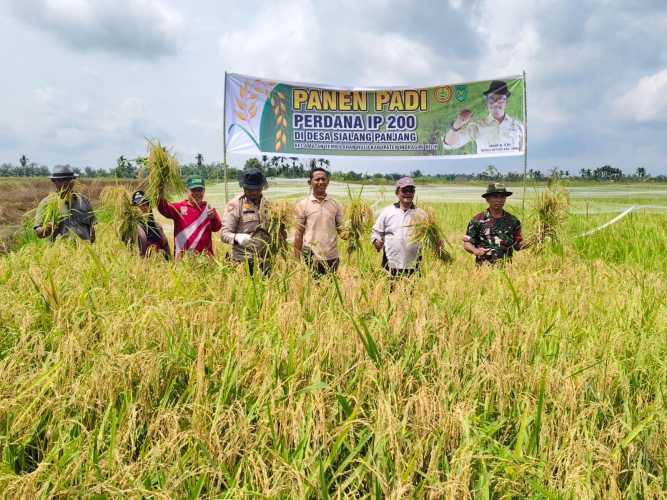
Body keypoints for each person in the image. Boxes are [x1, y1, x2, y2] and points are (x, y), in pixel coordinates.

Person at [371, 177, 439, 278]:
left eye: (411, 190)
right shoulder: (388, 212)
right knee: (389, 291)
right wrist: (376, 241)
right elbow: (376, 232)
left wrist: (437, 244)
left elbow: (431, 238)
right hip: (390, 264)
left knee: (412, 292)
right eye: (404, 190)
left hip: (413, 265)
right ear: (397, 192)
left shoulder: (421, 214)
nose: (408, 193)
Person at [443, 80, 524, 155]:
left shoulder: (518, 126)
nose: (495, 103)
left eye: (500, 99)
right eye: (492, 99)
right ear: (487, 102)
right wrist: (458, 123)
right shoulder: (477, 126)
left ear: (506, 102)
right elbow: (450, 144)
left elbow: (523, 154)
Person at [221, 169, 276, 274]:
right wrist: (237, 238)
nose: (254, 192)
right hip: (243, 261)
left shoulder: (268, 205)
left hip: (265, 261)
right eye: (250, 189)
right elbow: (224, 234)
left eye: (257, 189)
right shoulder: (235, 205)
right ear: (244, 187)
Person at [293, 167, 344, 276]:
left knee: (331, 289)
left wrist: (355, 225)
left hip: (332, 257)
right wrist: (296, 259)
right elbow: (298, 234)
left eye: (323, 179)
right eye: (317, 179)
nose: (321, 182)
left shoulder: (335, 204)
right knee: (312, 290)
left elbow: (343, 232)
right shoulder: (303, 205)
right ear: (310, 182)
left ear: (328, 182)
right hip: (311, 257)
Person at [157, 175, 221, 258]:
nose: (197, 193)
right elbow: (162, 208)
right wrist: (160, 190)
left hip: (206, 260)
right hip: (183, 260)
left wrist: (213, 218)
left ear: (204, 191)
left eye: (200, 190)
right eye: (193, 190)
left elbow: (217, 228)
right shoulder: (179, 208)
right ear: (187, 191)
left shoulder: (208, 209)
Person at [463, 182, 526, 264]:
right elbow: (467, 243)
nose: (499, 200)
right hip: (483, 270)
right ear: (487, 199)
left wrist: (534, 240)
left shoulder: (513, 221)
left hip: (507, 270)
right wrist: (476, 251)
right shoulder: (477, 220)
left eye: (502, 197)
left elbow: (518, 246)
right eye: (495, 197)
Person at [34, 165, 96, 242]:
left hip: (84, 250)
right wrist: (46, 229)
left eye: (68, 179)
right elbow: (38, 232)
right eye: (61, 180)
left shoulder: (84, 201)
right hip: (59, 251)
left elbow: (92, 229)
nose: (66, 183)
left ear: (73, 181)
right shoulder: (46, 203)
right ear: (54, 181)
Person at [130, 190, 170, 259]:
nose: (143, 208)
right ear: (134, 210)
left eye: (145, 204)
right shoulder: (131, 229)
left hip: (160, 265)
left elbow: (166, 248)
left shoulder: (157, 227)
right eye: (139, 206)